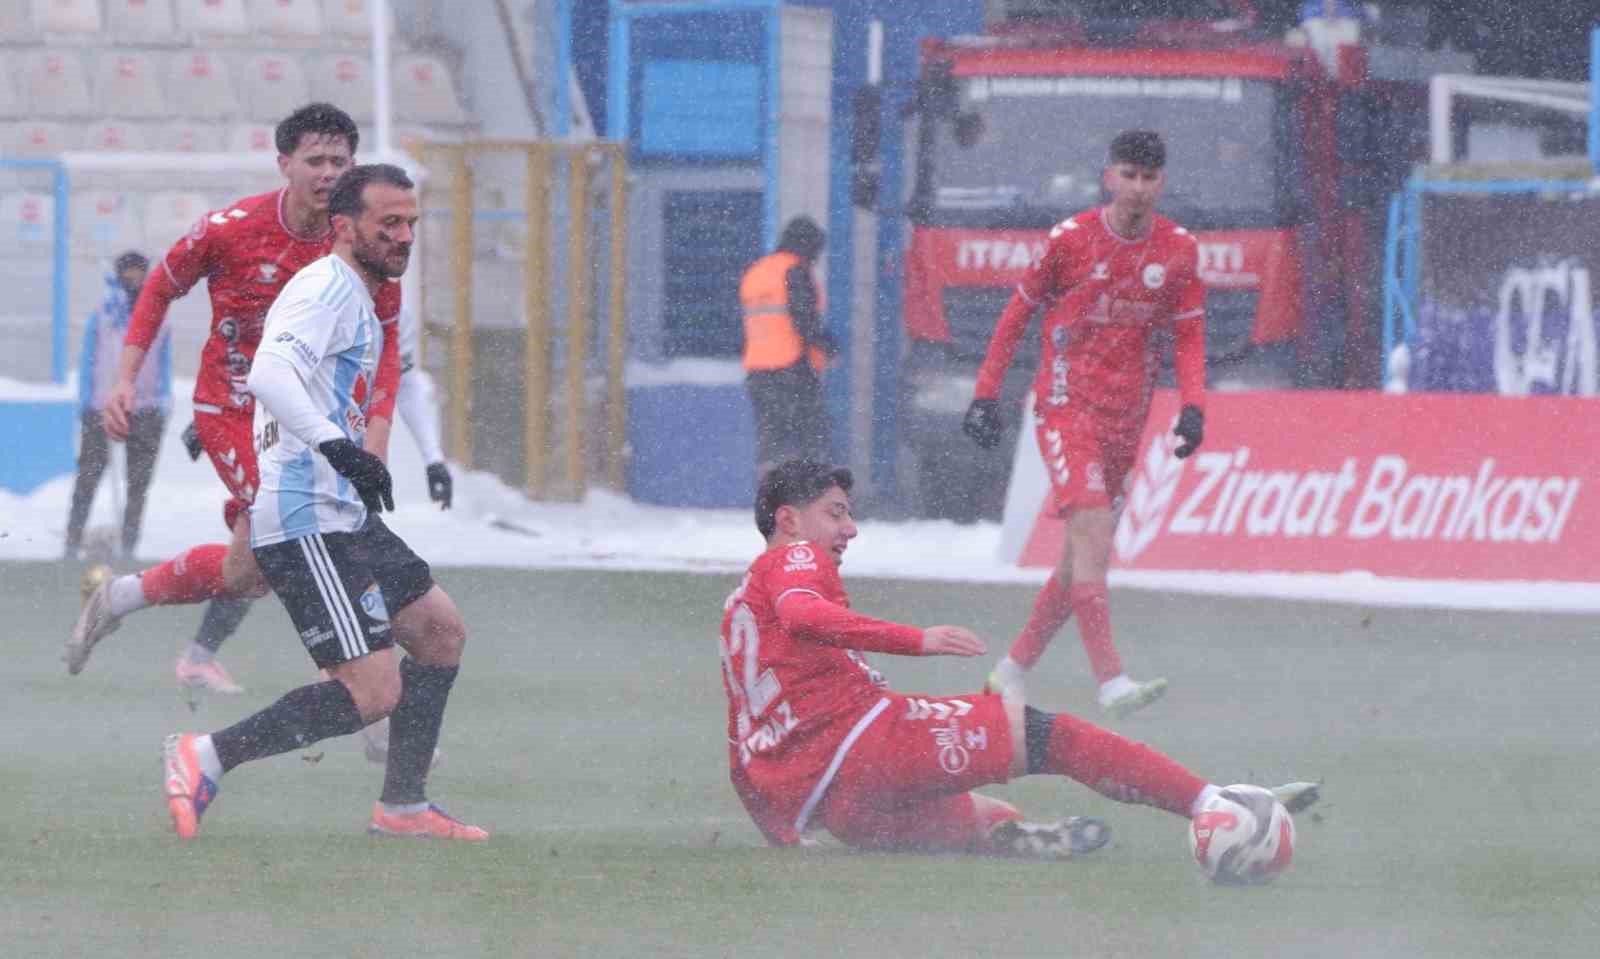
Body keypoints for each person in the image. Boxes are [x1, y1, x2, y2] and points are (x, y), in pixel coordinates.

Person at [720, 458, 1316, 855]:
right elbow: (803, 613)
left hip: (839, 806)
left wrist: (786, 829)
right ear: (788, 520)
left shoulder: (738, 607)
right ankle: (1217, 806)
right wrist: (916, 639)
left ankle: (1023, 840)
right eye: (836, 512)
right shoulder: (795, 558)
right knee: (1049, 735)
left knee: (986, 817)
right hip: (871, 748)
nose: (849, 529)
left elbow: (743, 739)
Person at [162, 163, 484, 841]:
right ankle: (207, 754)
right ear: (344, 227)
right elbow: (271, 374)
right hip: (305, 514)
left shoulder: (357, 297)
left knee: (439, 631)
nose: (402, 237)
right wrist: (340, 446)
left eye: (410, 224)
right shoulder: (328, 287)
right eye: (387, 224)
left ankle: (402, 808)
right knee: (373, 692)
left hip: (341, 510)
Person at [66, 103, 402, 702]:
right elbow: (159, 289)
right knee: (307, 535)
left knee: (244, 574)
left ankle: (120, 597)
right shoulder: (231, 229)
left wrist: (376, 433)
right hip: (234, 410)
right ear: (284, 164)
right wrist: (124, 379)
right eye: (315, 160)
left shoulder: (360, 242)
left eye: (340, 161)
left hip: (312, 420)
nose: (329, 172)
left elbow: (388, 337)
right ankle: (355, 686)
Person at [962, 130, 1206, 717]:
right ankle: (1111, 682)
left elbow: (1190, 333)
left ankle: (1010, 671)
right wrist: (985, 393)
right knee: (1094, 539)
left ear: (1161, 183)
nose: (1138, 189)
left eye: (1149, 179)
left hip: (1128, 417)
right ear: (1108, 177)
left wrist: (1194, 406)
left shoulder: (1177, 250)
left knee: (1078, 561)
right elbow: (1017, 313)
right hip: (1066, 406)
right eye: (1128, 175)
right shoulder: (1070, 241)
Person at [64, 252, 169, 561]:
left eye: (139, 274)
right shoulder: (104, 314)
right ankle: (72, 541)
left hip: (146, 409)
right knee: (89, 476)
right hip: (103, 406)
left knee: (138, 484)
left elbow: (163, 363)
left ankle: (128, 546)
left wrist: (163, 401)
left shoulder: (158, 317)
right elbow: (88, 359)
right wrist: (86, 399)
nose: (133, 280)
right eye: (128, 273)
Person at [739, 215, 837, 478]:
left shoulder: (755, 272)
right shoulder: (794, 270)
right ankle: (809, 499)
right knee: (811, 436)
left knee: (772, 439)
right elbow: (804, 317)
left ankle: (772, 498)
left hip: (757, 371)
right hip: (792, 369)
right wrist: (827, 344)